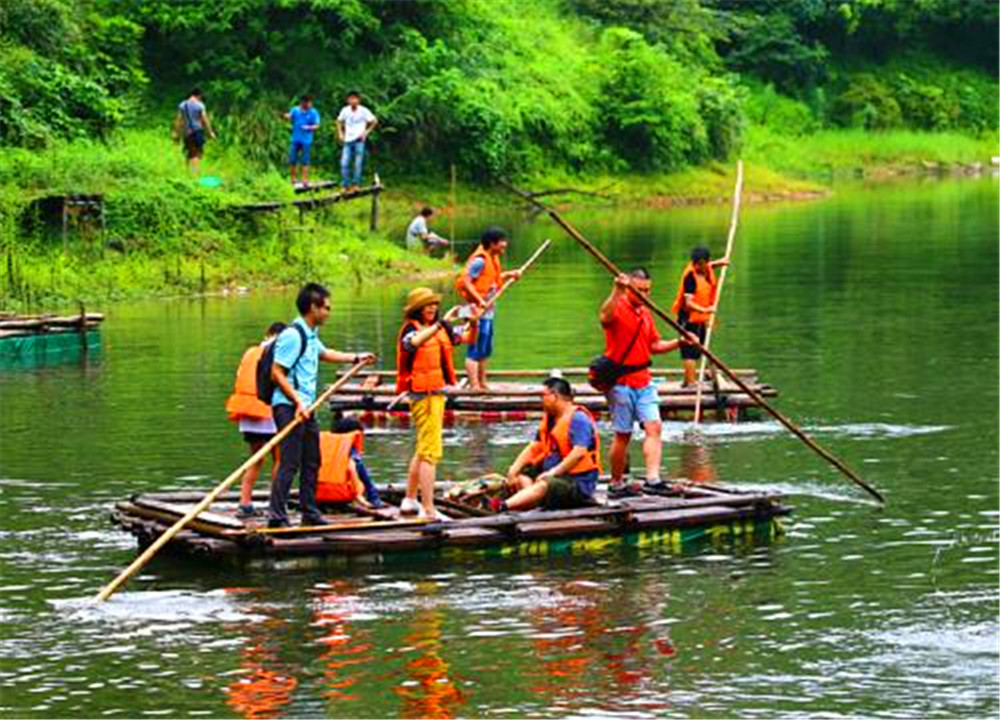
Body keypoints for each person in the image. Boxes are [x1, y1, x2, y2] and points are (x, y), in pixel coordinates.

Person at [268, 283, 376, 528]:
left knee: (312, 460)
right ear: (312, 308)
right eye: (326, 308)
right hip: (289, 406)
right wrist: (297, 402)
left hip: (307, 407)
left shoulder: (310, 334)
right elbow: (277, 373)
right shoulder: (292, 335)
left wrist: (356, 358)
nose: (328, 312)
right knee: (290, 462)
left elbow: (324, 353)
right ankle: (277, 516)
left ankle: (309, 511)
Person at [599, 268, 689, 498]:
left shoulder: (646, 314)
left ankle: (653, 479)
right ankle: (617, 482)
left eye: (648, 290)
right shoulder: (617, 306)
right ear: (629, 288)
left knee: (654, 427)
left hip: (644, 381)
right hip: (621, 382)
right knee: (623, 434)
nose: (645, 295)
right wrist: (616, 290)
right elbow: (604, 318)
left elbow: (654, 345)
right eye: (639, 290)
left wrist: (680, 342)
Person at [395, 287, 474, 519]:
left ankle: (409, 500)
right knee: (430, 453)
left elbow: (465, 338)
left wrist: (475, 322)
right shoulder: (410, 330)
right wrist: (440, 325)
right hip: (423, 395)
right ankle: (428, 509)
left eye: (434, 305)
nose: (432, 308)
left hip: (437, 393)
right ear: (417, 308)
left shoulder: (441, 328)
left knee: (423, 449)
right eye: (427, 305)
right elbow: (413, 344)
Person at [495, 377, 601, 512]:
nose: (541, 400)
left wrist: (553, 472)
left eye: (543, 396)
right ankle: (532, 500)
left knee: (545, 485)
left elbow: (578, 452)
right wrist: (514, 469)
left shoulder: (578, 419)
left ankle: (502, 506)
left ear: (554, 396)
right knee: (522, 474)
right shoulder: (550, 418)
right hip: (552, 473)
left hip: (577, 481)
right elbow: (534, 446)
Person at [224, 322, 286, 519]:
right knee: (280, 458)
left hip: (247, 412)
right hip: (266, 410)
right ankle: (276, 504)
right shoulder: (278, 352)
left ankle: (245, 503)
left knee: (255, 459)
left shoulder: (250, 352)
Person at [455, 226, 521, 390]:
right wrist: (479, 300)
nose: (504, 246)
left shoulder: (493, 258)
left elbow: (493, 278)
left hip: (488, 311)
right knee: (475, 347)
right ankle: (474, 385)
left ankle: (483, 382)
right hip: (474, 310)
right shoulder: (480, 260)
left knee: (485, 349)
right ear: (492, 244)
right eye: (502, 243)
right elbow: (466, 281)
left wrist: (509, 274)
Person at [671, 246, 729, 387]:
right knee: (689, 351)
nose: (698, 266)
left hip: (700, 319)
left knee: (701, 347)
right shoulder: (690, 277)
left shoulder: (706, 268)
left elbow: (710, 265)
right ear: (693, 262)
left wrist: (720, 262)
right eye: (696, 263)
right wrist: (705, 309)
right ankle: (691, 383)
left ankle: (688, 381)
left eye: (702, 263)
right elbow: (688, 303)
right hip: (688, 318)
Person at [316, 416, 383, 508]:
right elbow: (351, 468)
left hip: (317, 493)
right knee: (360, 473)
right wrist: (358, 496)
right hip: (340, 494)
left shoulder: (322, 446)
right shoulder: (350, 450)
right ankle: (374, 498)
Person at [336, 91, 377, 192]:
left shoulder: (363, 111)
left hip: (359, 140)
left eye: (355, 99)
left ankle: (356, 184)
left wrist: (366, 133)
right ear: (348, 100)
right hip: (348, 140)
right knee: (344, 163)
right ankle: (345, 185)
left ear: (359, 100)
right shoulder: (345, 110)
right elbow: (339, 121)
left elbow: (374, 121)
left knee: (357, 163)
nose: (353, 101)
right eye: (351, 99)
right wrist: (341, 133)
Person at [172, 87, 216, 175]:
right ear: (198, 95)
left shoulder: (183, 105)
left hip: (187, 133)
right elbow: (204, 120)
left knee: (189, 153)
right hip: (197, 132)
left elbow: (179, 120)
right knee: (196, 154)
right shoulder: (200, 105)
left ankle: (188, 174)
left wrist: (176, 134)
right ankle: (195, 175)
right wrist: (210, 132)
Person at [285, 94, 321, 188]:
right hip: (295, 138)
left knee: (305, 160)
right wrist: (287, 116)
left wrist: (309, 127)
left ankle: (304, 179)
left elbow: (317, 125)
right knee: (293, 159)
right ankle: (293, 178)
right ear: (303, 103)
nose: (310, 104)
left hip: (306, 140)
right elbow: (291, 116)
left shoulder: (313, 112)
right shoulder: (295, 110)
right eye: (308, 102)